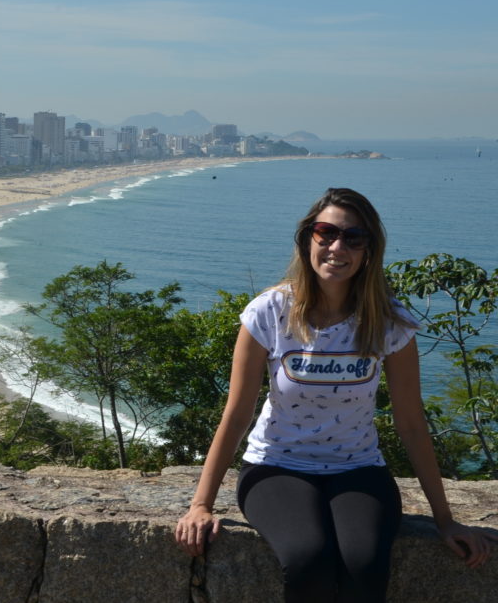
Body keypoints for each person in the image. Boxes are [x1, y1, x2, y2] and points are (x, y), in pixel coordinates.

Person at [174, 187, 495, 602]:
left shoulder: (389, 323)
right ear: (308, 238)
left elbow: (412, 424)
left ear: (368, 251)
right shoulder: (268, 313)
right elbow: (236, 415)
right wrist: (201, 504)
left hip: (358, 467)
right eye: (326, 232)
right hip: (276, 466)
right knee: (307, 557)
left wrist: (446, 520)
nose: (337, 246)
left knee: (364, 563)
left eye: (353, 238)